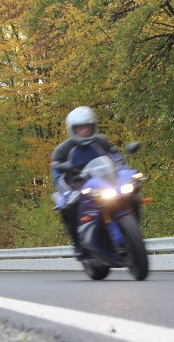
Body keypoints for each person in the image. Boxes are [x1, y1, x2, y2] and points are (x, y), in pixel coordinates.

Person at [51, 106, 124, 258]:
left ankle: (129, 232)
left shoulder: (101, 141)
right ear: (72, 130)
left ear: (93, 126)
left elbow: (117, 159)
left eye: (87, 127)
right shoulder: (62, 151)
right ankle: (77, 244)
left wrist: (125, 172)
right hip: (77, 186)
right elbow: (57, 176)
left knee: (129, 192)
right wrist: (68, 193)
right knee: (65, 207)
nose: (84, 131)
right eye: (80, 128)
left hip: (105, 182)